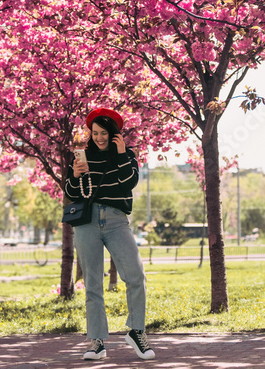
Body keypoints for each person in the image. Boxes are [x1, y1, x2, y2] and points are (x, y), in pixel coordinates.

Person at [64, 107, 155, 361]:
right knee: (93, 283)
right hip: (87, 222)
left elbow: (129, 182)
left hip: (116, 221)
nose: (99, 137)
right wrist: (75, 174)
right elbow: (72, 191)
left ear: (114, 133)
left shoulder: (126, 155)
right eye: (95, 133)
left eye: (104, 133)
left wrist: (122, 152)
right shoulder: (82, 156)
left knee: (136, 275)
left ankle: (137, 331)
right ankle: (97, 341)